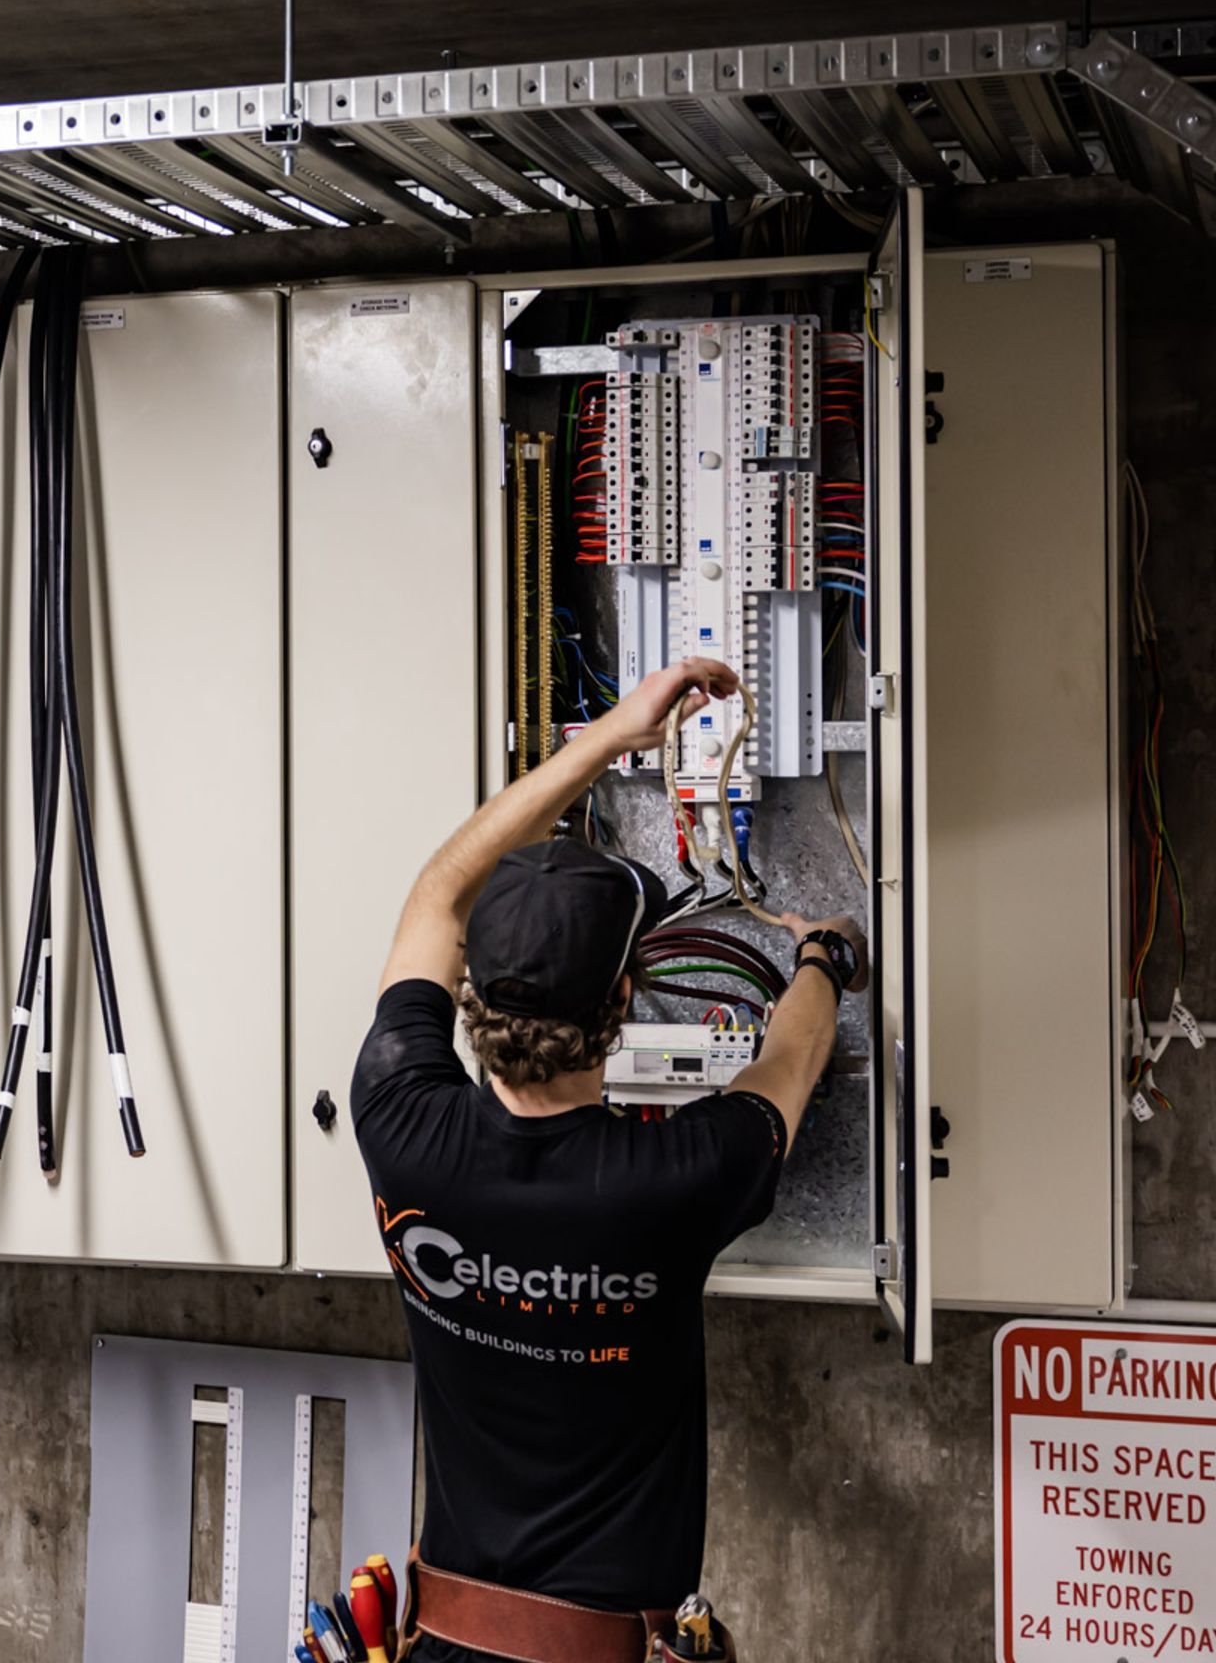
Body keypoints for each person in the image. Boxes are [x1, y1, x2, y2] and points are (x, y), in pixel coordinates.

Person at [352, 656, 869, 1663]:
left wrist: (603, 738)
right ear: (625, 1001)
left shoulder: (399, 1120)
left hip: (445, 1646)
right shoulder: (679, 1179)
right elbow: (794, 1052)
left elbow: (437, 887)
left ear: (471, 994)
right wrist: (824, 955)